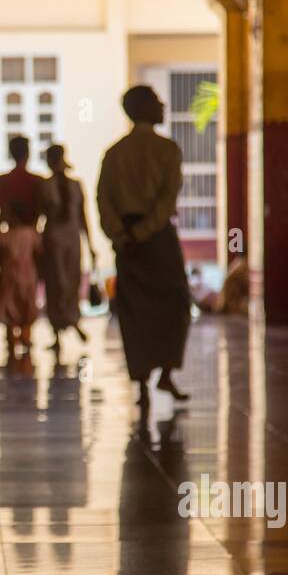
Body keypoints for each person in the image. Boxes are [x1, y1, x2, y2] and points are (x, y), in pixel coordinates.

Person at [96, 85, 192, 410]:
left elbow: (104, 202)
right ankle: (165, 372)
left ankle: (141, 383)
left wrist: (121, 235)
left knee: (133, 311)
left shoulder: (114, 154)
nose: (164, 106)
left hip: (127, 243)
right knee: (175, 302)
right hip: (158, 239)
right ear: (144, 108)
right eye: (157, 102)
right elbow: (168, 200)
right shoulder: (167, 150)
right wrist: (144, 232)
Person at [39, 143, 96, 350]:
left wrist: (90, 245)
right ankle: (68, 324)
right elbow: (83, 218)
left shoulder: (55, 186)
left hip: (60, 240)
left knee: (63, 284)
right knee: (62, 284)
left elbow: (82, 217)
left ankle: (67, 323)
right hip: (65, 240)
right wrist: (90, 245)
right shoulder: (62, 186)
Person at [0, 199, 41, 356]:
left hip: (9, 275)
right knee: (26, 307)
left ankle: (11, 340)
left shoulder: (5, 236)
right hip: (28, 275)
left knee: (9, 308)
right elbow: (39, 253)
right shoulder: (31, 234)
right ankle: (26, 337)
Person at [0, 134, 43, 227]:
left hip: (11, 233)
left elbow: (2, 212)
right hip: (32, 231)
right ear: (28, 154)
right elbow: (40, 210)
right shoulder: (37, 181)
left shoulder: (2, 180)